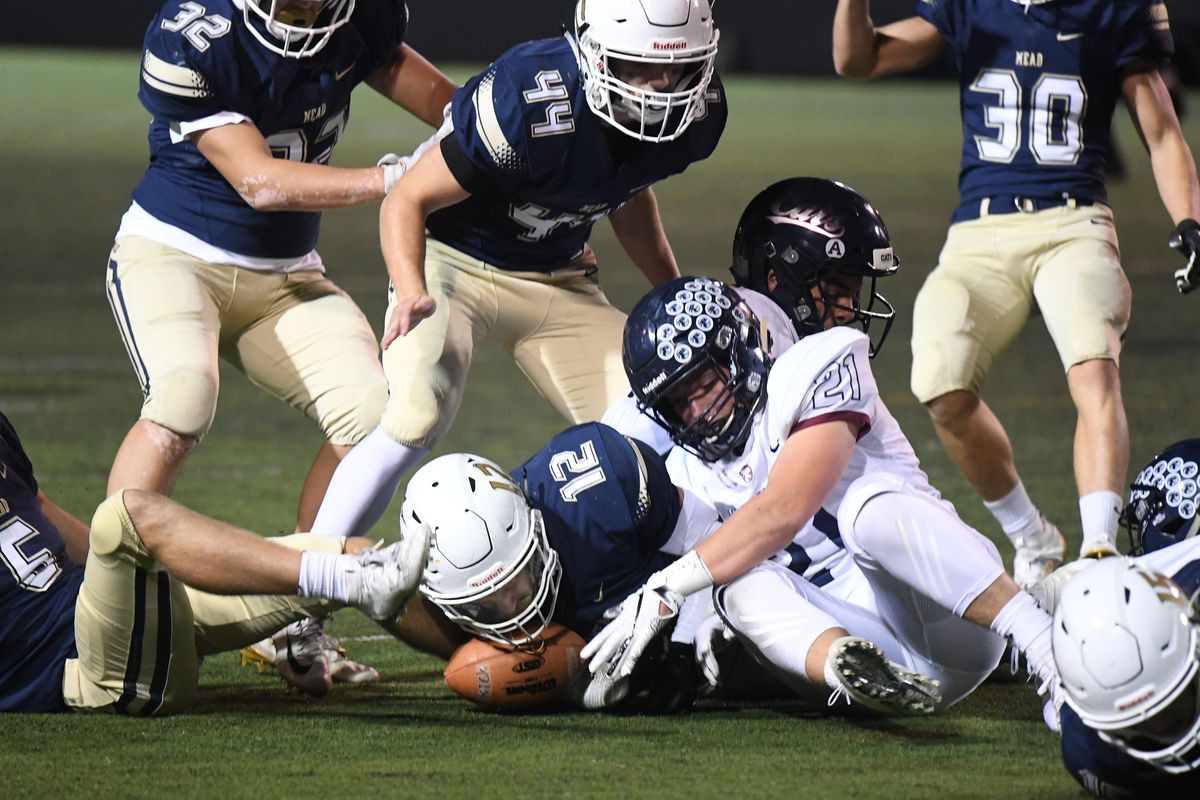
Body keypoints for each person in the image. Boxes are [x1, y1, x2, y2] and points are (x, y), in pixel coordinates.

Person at [310, 0, 728, 541]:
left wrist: (671, 292)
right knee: (413, 414)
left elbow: (627, 191)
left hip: (558, 278)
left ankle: (694, 593)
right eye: (641, 66)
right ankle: (305, 587)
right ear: (595, 57)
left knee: (664, 418)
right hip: (452, 263)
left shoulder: (700, 113)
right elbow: (406, 200)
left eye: (681, 67)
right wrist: (411, 287)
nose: (664, 85)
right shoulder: (529, 97)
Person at [582, 257, 1060, 717]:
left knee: (865, 510)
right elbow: (713, 566)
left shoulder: (815, 364)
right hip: (847, 649)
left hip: (944, 622)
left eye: (703, 385)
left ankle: (1039, 643)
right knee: (734, 586)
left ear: (739, 348)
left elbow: (785, 507)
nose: (695, 412)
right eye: (676, 402)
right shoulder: (686, 471)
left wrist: (671, 583)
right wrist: (685, 633)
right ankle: (854, 672)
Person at [830, 0, 1200, 589]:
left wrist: (1189, 219)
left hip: (1075, 222)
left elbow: (1159, 132)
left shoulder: (1111, 11)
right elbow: (857, 59)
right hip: (981, 230)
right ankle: (1033, 536)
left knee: (1092, 366)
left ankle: (1100, 554)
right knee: (938, 379)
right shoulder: (973, 7)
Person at [105, 0, 455, 530]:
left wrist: (500, 145)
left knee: (374, 418)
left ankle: (300, 592)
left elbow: (454, 112)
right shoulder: (196, 35)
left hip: (287, 276)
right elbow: (259, 183)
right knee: (183, 397)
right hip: (174, 256)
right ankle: (112, 585)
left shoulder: (362, 20)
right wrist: (395, 179)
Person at [0, 411, 429, 714]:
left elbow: (42, 509)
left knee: (351, 551)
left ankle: (486, 643)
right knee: (124, 514)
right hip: (89, 671)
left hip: (110, 616)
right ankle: (347, 583)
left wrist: (126, 578)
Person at [1047, 438, 1200, 795]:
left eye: (1174, 711)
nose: (1167, 733)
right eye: (1140, 726)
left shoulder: (1093, 758)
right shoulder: (1093, 754)